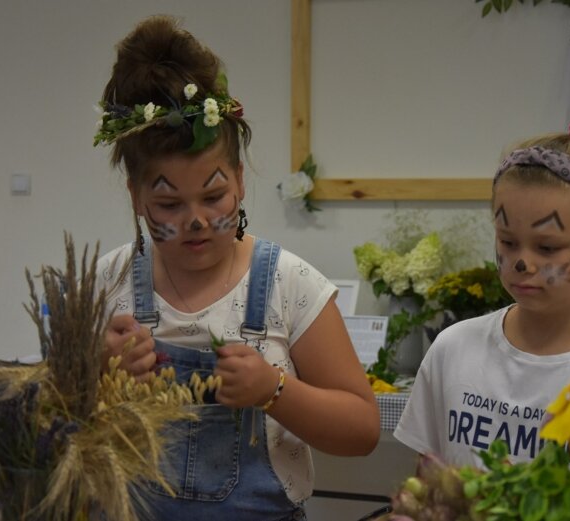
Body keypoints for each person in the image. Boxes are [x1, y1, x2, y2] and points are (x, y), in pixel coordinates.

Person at [93, 15, 380, 520]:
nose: (197, 221)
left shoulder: (289, 286)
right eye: (169, 205)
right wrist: (98, 373)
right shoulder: (104, 284)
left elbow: (362, 431)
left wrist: (275, 391)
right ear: (136, 196)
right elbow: (41, 429)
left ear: (241, 181)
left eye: (214, 195)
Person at [393, 121, 570, 468]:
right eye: (508, 242)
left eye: (547, 247)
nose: (522, 263)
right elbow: (426, 485)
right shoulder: (452, 349)